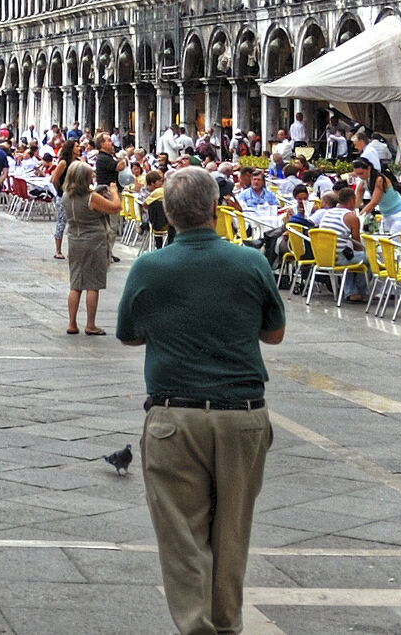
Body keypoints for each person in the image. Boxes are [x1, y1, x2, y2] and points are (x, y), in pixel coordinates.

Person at [115, 166, 285, 635]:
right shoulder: (251, 262)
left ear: (167, 214)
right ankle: (227, 626)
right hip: (243, 417)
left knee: (182, 539)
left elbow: (128, 335)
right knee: (231, 536)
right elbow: (274, 334)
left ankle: (196, 629)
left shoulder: (150, 266)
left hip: (175, 417)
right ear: (216, 208)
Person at [65, 150, 120, 335]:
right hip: (93, 239)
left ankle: (72, 323)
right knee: (92, 284)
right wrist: (113, 191)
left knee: (75, 283)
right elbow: (115, 208)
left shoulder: (66, 196)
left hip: (74, 238)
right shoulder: (91, 197)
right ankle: (90, 324)